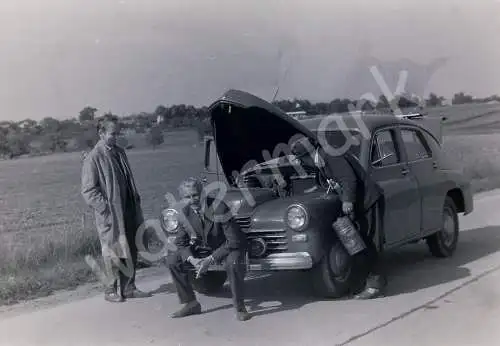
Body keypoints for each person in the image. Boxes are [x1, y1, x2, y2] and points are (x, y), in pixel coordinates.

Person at [290, 136, 386, 299]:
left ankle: (375, 285)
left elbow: (348, 178)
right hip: (359, 204)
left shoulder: (331, 154)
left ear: (307, 155)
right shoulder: (321, 161)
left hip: (369, 201)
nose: (301, 164)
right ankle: (362, 283)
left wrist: (347, 200)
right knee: (358, 244)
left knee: (370, 242)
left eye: (301, 160)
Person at [81, 115, 151, 302]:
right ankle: (110, 290)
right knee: (113, 251)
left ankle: (129, 288)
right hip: (111, 214)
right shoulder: (93, 158)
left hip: (128, 209)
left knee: (130, 247)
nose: (116, 137)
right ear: (101, 133)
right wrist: (105, 208)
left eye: (117, 133)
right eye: (112, 133)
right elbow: (88, 191)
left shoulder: (120, 152)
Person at [167, 177, 250, 321]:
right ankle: (191, 303)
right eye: (187, 197)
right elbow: (181, 243)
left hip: (227, 247)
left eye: (195, 195)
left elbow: (234, 240)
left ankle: (240, 306)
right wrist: (192, 260)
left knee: (234, 262)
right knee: (172, 259)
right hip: (204, 248)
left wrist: (210, 260)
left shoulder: (219, 207)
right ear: (182, 199)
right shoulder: (183, 212)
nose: (192, 199)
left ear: (203, 193)